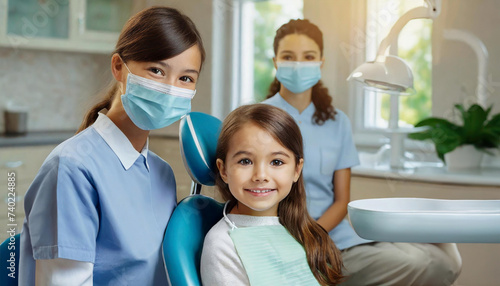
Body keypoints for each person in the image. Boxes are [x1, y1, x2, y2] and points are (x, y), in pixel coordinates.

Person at [262, 19, 461, 286]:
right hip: (293, 243)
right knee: (427, 263)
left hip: (337, 237)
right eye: (289, 56)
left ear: (320, 62)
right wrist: (300, 243)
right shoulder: (259, 119)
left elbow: (342, 200)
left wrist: (315, 236)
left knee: (443, 254)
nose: (298, 64)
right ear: (276, 62)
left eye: (308, 56)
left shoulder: (337, 121)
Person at [19, 6, 205, 285]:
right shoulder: (71, 169)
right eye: (156, 70)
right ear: (119, 67)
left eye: (185, 78)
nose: (170, 89)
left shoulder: (161, 173)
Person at [200, 104, 344, 286]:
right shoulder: (222, 244)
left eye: (276, 162)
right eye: (245, 161)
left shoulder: (301, 232)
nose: (260, 176)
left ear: (297, 170)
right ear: (224, 170)